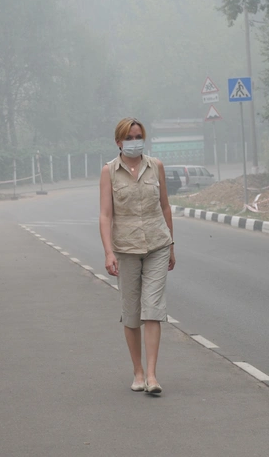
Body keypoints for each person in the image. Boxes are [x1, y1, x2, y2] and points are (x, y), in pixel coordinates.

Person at [99, 117, 175, 395]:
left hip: (157, 245)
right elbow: (105, 215)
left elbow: (165, 206)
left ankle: (153, 376)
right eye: (129, 138)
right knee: (131, 315)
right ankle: (138, 372)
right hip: (126, 250)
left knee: (153, 310)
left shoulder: (156, 167)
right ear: (119, 142)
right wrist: (109, 252)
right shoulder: (109, 172)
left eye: (138, 136)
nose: (134, 142)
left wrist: (172, 244)